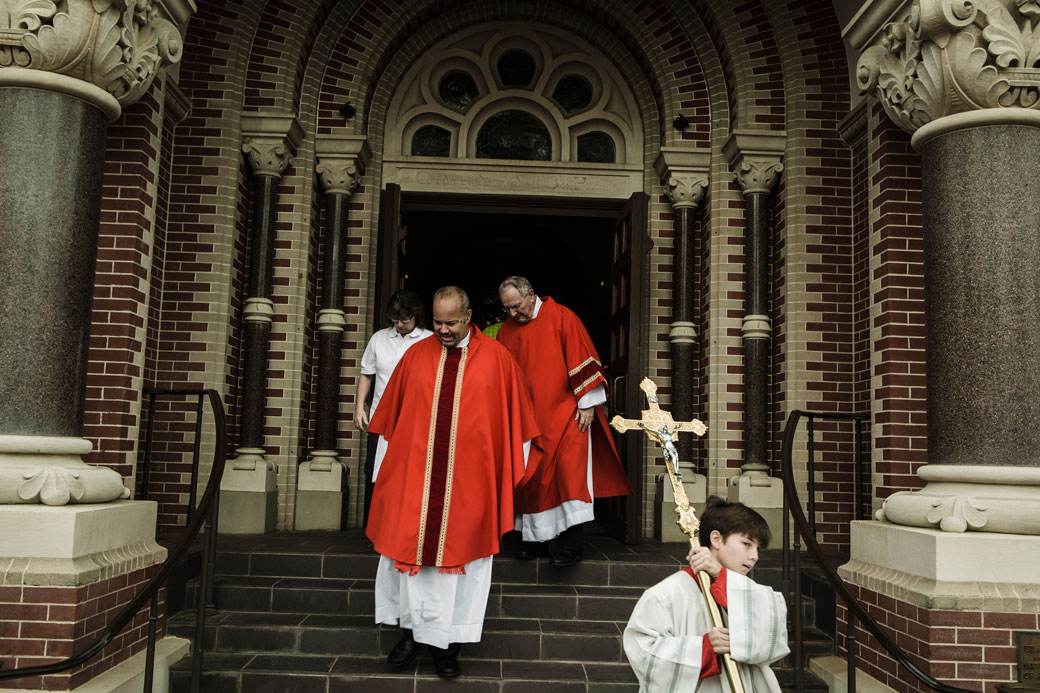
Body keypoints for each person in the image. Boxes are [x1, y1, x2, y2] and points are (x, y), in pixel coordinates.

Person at [366, 286, 541, 679]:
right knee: (408, 561)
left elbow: (518, 427)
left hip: (470, 489)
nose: (442, 330)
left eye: (450, 323)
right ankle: (410, 634)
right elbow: (393, 424)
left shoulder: (497, 359)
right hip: (416, 482)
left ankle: (449, 645)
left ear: (468, 316)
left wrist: (500, 479)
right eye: (437, 322)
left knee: (463, 569)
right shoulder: (415, 355)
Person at [496, 275, 632, 566]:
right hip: (529, 419)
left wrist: (587, 405)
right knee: (530, 481)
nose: (512, 314)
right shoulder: (506, 331)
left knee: (569, 479)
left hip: (568, 414)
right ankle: (534, 543)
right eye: (507, 309)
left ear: (531, 295)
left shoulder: (561, 317)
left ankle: (570, 546)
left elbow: (582, 355)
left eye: (517, 306)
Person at [623, 497, 789, 692]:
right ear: (716, 539)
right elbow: (643, 654)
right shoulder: (666, 594)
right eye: (746, 544)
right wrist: (703, 648)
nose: (754, 556)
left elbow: (774, 639)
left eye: (758, 549)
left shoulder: (749, 592)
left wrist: (720, 574)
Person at [353, 289, 432, 523]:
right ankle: (376, 525)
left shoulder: (429, 339)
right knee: (374, 471)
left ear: (416, 315)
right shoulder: (379, 338)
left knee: (411, 474)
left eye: (405, 319)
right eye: (395, 319)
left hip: (417, 420)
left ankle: (409, 524)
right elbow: (366, 374)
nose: (400, 324)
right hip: (381, 419)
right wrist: (359, 407)